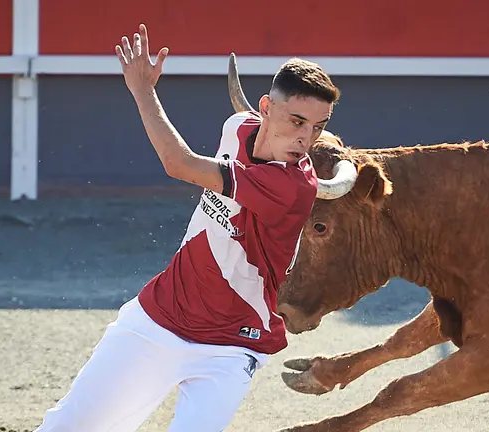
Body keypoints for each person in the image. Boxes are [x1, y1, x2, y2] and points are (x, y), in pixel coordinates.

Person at [34, 23, 341, 432]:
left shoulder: (293, 186)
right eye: (297, 121)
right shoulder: (237, 128)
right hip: (157, 319)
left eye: (317, 127)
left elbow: (178, 164)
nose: (306, 138)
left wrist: (142, 90)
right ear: (265, 108)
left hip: (231, 345)